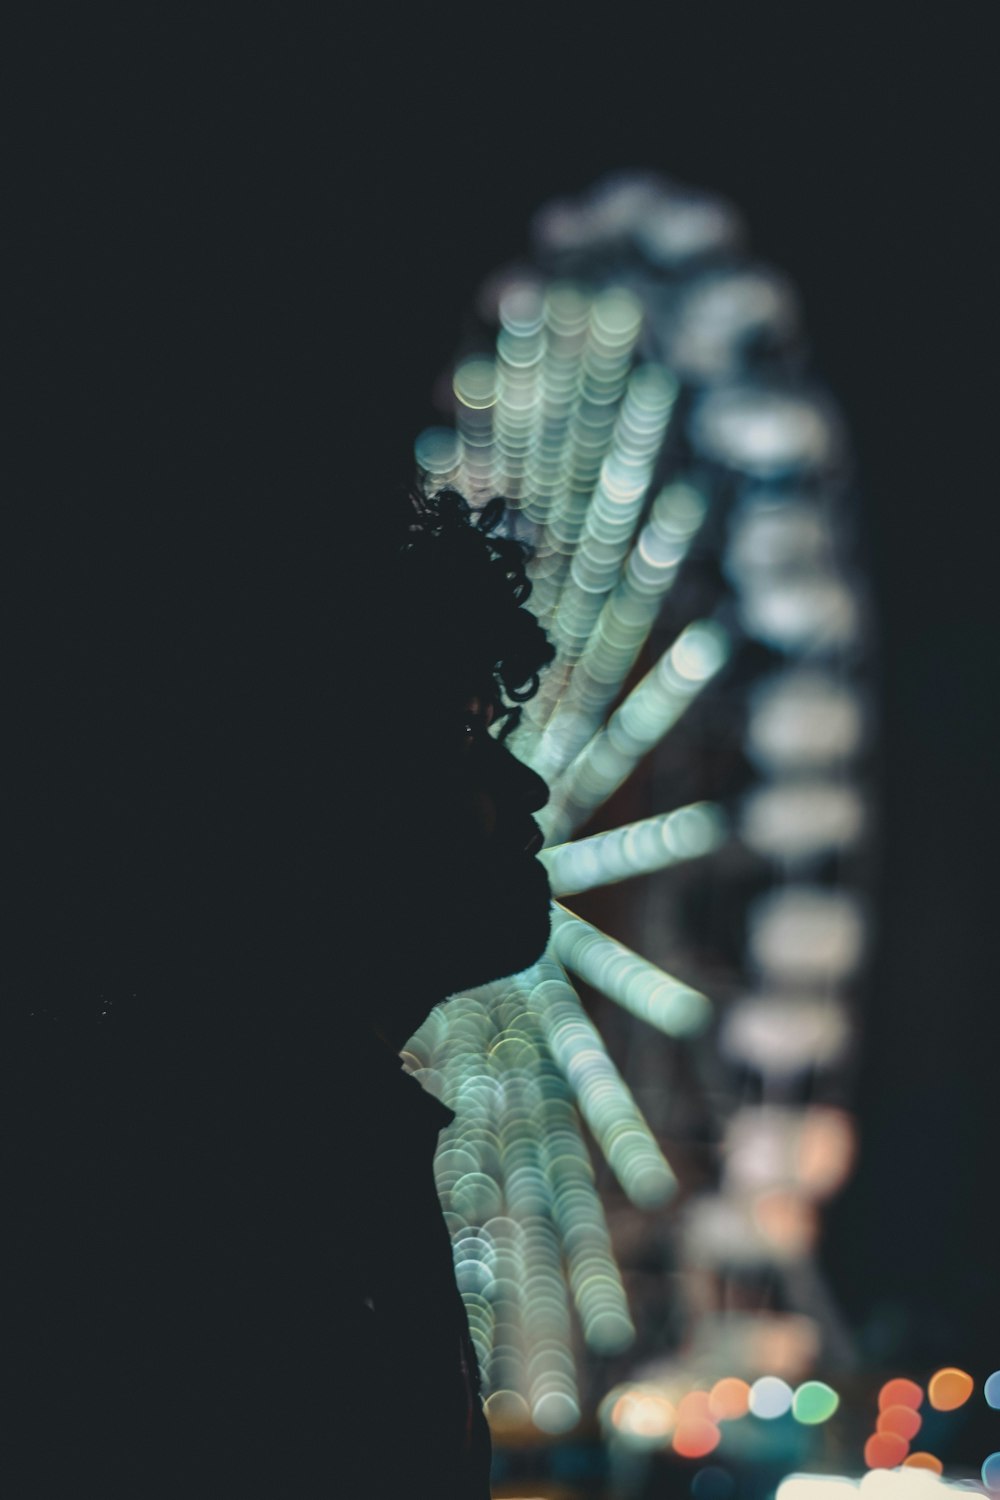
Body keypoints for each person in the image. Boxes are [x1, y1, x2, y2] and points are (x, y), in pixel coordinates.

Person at [1, 483, 555, 1496]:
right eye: (467, 736)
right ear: (319, 787)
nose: (530, 788)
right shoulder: (209, 1197)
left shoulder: (232, 1133)